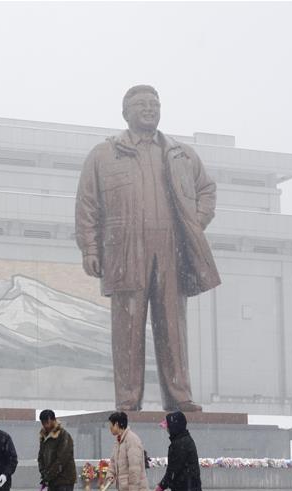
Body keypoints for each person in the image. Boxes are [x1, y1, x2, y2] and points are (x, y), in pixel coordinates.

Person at [75, 84, 220, 413]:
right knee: (127, 329)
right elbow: (87, 205)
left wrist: (195, 223)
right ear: (125, 112)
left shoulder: (180, 154)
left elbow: (207, 189)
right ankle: (128, 400)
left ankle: (179, 395)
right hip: (125, 250)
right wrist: (90, 248)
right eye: (141, 103)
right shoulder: (104, 154)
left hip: (172, 249)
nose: (149, 108)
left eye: (155, 103)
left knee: (173, 325)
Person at [37, 409, 76, 491]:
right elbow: (41, 458)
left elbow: (62, 460)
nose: (46, 425)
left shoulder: (64, 436)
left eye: (48, 422)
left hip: (65, 479)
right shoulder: (43, 437)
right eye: (44, 423)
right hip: (51, 480)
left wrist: (49, 475)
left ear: (53, 420)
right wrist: (43, 473)